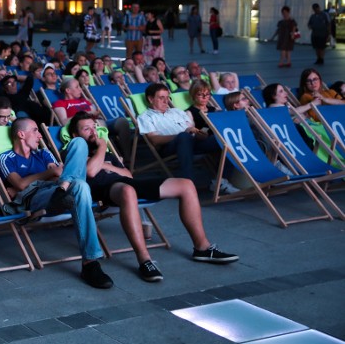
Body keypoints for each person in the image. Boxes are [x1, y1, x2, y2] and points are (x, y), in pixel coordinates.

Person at [69, 111, 238, 282]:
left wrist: (105, 163)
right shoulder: (74, 152)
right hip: (104, 190)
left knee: (186, 185)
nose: (93, 132)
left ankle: (202, 247)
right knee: (128, 191)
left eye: (94, 127)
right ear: (76, 135)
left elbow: (128, 174)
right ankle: (145, 260)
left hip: (126, 183)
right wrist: (103, 148)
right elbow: (90, 171)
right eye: (86, 129)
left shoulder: (108, 155)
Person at [0, 118, 113, 289]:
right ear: (21, 134)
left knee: (79, 144)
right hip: (36, 197)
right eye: (35, 130)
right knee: (80, 186)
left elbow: (59, 175)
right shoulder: (6, 158)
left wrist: (56, 177)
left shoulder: (44, 154)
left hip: (58, 189)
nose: (40, 136)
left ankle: (90, 263)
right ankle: (91, 262)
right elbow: (20, 184)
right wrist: (49, 172)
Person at [136, 83, 239, 194]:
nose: (166, 101)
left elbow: (191, 128)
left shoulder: (177, 112)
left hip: (191, 142)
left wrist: (199, 134)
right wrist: (181, 134)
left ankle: (221, 181)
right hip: (169, 147)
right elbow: (154, 140)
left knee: (225, 139)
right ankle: (189, 184)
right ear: (151, 99)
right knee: (184, 137)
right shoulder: (145, 117)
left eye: (168, 97)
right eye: (161, 98)